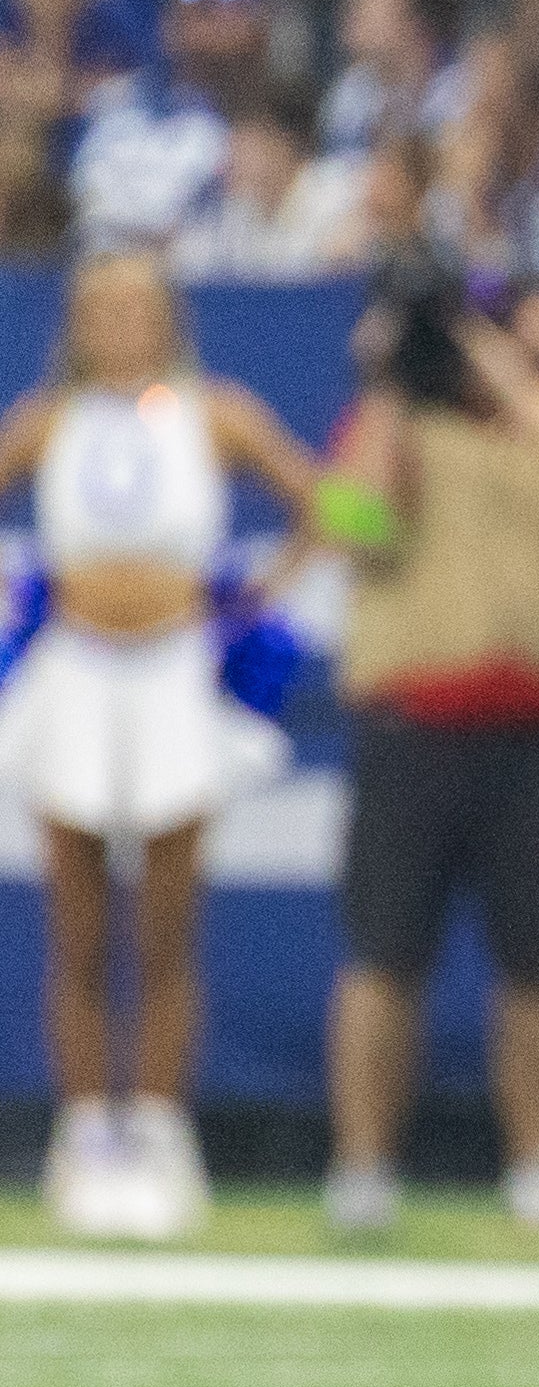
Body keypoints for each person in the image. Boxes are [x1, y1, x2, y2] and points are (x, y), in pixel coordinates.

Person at [319, 261, 539, 1234]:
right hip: (411, 721)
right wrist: (390, 386)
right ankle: (361, 1166)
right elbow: (348, 526)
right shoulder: (398, 423)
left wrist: (516, 386)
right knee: (383, 953)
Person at [0, 253, 318, 1236]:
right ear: (76, 323)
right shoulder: (47, 419)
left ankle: (163, 1129)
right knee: (80, 925)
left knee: (170, 927)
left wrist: (263, 589)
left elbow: (330, 503)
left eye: (140, 306)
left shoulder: (214, 412)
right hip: (75, 678)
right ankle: (87, 1129)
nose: (122, 323)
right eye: (102, 307)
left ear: (171, 317)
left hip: (178, 674)